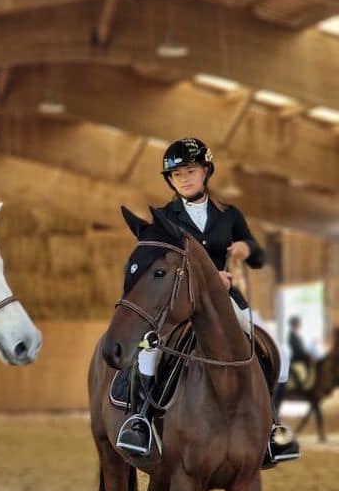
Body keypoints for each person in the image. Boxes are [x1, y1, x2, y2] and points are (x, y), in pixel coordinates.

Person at [116, 137, 299, 467]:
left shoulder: (229, 216)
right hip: (179, 301)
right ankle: (140, 421)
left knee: (280, 353)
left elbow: (257, 255)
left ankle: (272, 428)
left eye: (190, 170)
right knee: (150, 348)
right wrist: (209, 277)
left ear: (206, 171)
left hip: (225, 302)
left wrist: (245, 248)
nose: (184, 178)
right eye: (176, 175)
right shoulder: (164, 220)